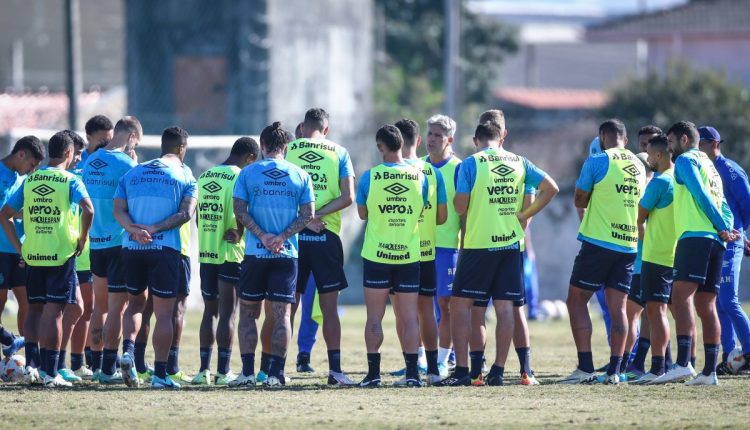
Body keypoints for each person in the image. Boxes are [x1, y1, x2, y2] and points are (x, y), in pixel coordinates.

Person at [437, 121, 558, 386]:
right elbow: (551, 188)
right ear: (500, 138)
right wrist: (524, 215)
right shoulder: (519, 162)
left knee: (461, 307)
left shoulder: (470, 164)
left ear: (475, 140)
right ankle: (498, 371)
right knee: (505, 310)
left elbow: (460, 207)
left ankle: (465, 372)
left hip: (478, 246)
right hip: (510, 246)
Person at [0, 131, 93, 387]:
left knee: (34, 310)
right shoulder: (70, 181)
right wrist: (82, 238)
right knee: (55, 313)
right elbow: (88, 208)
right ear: (68, 154)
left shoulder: (30, 181)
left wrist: (20, 247)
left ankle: (32, 366)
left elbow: (5, 214)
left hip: (33, 255)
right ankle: (51, 373)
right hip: (59, 255)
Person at [561, 119, 646, 385]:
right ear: (626, 139)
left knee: (576, 300)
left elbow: (579, 199)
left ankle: (585, 368)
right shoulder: (639, 165)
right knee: (619, 308)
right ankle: (614, 371)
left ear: (601, 137)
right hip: (629, 245)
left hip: (599, 242)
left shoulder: (597, 161)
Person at [231, 122, 315, 387]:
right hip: (286, 255)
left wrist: (262, 236)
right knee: (282, 316)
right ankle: (276, 375)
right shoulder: (300, 175)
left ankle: (246, 374)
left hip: (256, 253)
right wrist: (281, 237)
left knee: (248, 314)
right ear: (286, 148)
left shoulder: (248, 173)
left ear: (262, 145)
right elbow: (308, 215)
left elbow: (239, 211)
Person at [655, 121, 739, 385]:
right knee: (707, 305)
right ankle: (709, 372)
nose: (668, 148)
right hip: (715, 242)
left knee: (679, 298)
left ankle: (683, 364)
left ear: (682, 139)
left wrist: (721, 226)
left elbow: (701, 196)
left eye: (669, 142)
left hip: (695, 237)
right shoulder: (710, 166)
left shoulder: (686, 161)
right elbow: (724, 204)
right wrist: (727, 228)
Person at [114, 126, 197, 389]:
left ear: (163, 146)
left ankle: (128, 351)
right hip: (165, 249)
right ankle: (160, 375)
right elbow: (186, 214)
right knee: (164, 314)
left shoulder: (133, 172)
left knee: (135, 304)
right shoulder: (185, 175)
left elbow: (119, 210)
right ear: (182, 148)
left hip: (131, 248)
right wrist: (155, 229)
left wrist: (134, 230)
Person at [283, 108, 357, 385]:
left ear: (302, 127)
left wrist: (303, 220)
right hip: (326, 236)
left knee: (288, 305)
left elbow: (281, 195)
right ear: (326, 130)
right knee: (329, 307)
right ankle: (335, 372)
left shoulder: (288, 149)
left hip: (294, 236)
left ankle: (276, 370)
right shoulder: (339, 152)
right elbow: (348, 197)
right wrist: (318, 215)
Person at [357, 125, 428, 388]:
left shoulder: (369, 177)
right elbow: (420, 212)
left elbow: (363, 214)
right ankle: (412, 375)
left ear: (380, 147)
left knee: (374, 317)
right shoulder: (420, 176)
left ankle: (374, 375)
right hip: (408, 256)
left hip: (377, 255)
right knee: (409, 317)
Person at [191, 137, 259, 386]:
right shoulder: (239, 177)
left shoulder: (206, 175)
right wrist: (240, 232)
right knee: (228, 314)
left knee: (209, 312)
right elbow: (241, 209)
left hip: (207, 252)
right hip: (231, 253)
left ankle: (202, 370)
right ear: (249, 158)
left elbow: (198, 217)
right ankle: (223, 371)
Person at [82, 117, 140, 383]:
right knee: (118, 308)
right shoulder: (126, 164)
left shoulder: (91, 159)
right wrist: (135, 163)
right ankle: (108, 370)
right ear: (131, 137)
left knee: (99, 308)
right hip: (118, 244)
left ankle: (95, 366)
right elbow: (135, 199)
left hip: (96, 243)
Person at [394, 118, 447, 385]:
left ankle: (411, 369)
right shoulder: (433, 172)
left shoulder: (389, 172)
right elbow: (441, 217)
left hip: (399, 254)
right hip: (426, 252)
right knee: (427, 310)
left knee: (403, 314)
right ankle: (435, 369)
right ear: (417, 140)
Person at [697, 126, 750, 374]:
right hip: (714, 241)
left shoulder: (729, 170)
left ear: (713, 143)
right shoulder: (702, 169)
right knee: (717, 302)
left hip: (731, 240)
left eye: (701, 143)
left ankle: (748, 352)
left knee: (728, 300)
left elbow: (747, 205)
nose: (697, 148)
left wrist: (740, 233)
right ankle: (730, 357)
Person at [630, 134, 677, 384]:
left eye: (648, 153)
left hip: (656, 256)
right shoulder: (680, 179)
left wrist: (644, 239)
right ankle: (677, 364)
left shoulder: (659, 183)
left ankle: (658, 367)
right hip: (674, 254)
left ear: (658, 155)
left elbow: (639, 216)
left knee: (656, 313)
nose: (647, 157)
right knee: (671, 312)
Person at [423, 114, 461, 372]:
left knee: (446, 305)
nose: (432, 139)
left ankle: (445, 359)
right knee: (419, 304)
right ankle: (420, 359)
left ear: (450, 139)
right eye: (430, 134)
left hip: (448, 248)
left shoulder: (460, 168)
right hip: (420, 246)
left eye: (438, 135)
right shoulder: (416, 166)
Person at [0, 136, 45, 340]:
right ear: (20, 154)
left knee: (28, 304)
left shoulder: (26, 179)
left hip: (21, 250)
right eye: (31, 164)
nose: (32, 170)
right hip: (0, 250)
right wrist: (18, 213)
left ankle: (24, 356)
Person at [56, 130, 90, 383]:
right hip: (62, 252)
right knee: (65, 309)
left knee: (75, 308)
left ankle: (60, 363)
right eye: (77, 153)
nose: (80, 158)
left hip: (73, 253)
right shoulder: (67, 179)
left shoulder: (77, 175)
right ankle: (54, 364)